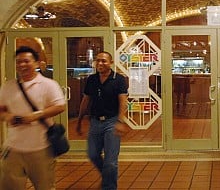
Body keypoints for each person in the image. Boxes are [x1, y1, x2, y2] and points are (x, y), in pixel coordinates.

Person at [0, 46, 65, 190]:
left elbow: (60, 106)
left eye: (26, 61)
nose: (22, 65)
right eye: (18, 62)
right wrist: (7, 116)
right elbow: (1, 110)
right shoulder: (8, 87)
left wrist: (36, 115)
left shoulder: (49, 85)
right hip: (13, 148)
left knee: (45, 186)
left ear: (36, 63)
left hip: (41, 148)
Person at [76, 51, 128, 190]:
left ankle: (109, 187)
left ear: (110, 63)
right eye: (98, 60)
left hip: (112, 121)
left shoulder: (119, 79)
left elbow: (123, 101)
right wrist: (80, 120)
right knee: (92, 154)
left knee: (111, 162)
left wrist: (120, 121)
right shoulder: (92, 80)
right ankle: (107, 177)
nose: (100, 63)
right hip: (95, 122)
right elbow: (85, 100)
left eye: (104, 61)